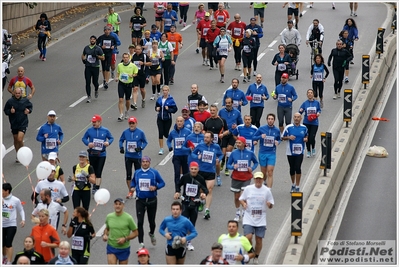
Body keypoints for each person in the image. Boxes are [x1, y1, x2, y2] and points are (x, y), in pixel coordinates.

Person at [130, 156, 165, 249]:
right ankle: (141, 243)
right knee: (140, 222)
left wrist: (156, 187)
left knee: (152, 222)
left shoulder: (154, 173)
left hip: (152, 200)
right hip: (140, 201)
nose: (145, 163)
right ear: (141, 163)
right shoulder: (137, 172)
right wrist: (132, 187)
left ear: (149, 163)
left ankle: (152, 233)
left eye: (147, 162)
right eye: (143, 162)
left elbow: (162, 183)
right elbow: (133, 182)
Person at [239, 172, 274, 265]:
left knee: (259, 239)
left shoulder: (267, 190)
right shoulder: (248, 189)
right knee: (248, 237)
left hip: (261, 218)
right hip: (248, 216)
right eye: (256, 179)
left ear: (263, 180)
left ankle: (256, 256)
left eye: (260, 179)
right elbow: (241, 199)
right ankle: (250, 252)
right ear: (254, 179)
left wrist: (269, 205)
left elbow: (271, 204)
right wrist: (244, 204)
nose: (258, 180)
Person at [174, 161, 208, 251]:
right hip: (185, 202)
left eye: (195, 169)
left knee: (191, 225)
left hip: (195, 204)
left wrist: (204, 194)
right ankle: (181, 240)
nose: (193, 171)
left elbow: (205, 189)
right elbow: (178, 184)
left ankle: (189, 242)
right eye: (192, 169)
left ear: (198, 169)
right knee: (183, 223)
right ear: (189, 169)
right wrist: (177, 191)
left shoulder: (200, 178)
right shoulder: (185, 177)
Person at [191, 131, 223, 218]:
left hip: (211, 171)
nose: (205, 139)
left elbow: (221, 155)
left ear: (212, 139)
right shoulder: (200, 145)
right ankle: (201, 202)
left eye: (207, 137)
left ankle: (207, 210)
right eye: (205, 137)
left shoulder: (216, 147)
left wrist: (218, 159)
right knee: (201, 190)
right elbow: (193, 153)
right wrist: (197, 157)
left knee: (209, 190)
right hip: (201, 171)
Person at [226, 136, 258, 221]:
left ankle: (244, 211)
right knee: (237, 197)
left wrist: (252, 168)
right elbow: (228, 165)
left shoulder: (250, 153)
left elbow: (256, 162)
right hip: (236, 177)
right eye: (236, 143)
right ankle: (237, 212)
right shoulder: (234, 153)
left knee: (244, 196)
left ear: (244, 144)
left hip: (246, 178)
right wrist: (233, 167)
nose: (237, 144)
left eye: (239, 143)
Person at [82, 114, 114, 194]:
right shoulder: (89, 130)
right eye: (92, 122)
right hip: (92, 153)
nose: (93, 123)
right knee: (92, 171)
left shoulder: (105, 130)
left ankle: (97, 187)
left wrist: (108, 142)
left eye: (95, 122)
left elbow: (111, 138)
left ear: (99, 122)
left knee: (99, 171)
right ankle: (93, 185)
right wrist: (88, 143)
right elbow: (84, 138)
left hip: (101, 154)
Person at [102, 198, 139, 265]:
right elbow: (107, 229)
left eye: (120, 204)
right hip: (111, 246)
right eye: (116, 204)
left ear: (123, 206)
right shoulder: (109, 216)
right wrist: (105, 235)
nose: (118, 206)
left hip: (124, 248)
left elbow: (136, 232)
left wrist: (125, 239)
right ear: (114, 205)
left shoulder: (128, 218)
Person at [119, 117, 148, 198]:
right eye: (130, 123)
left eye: (133, 123)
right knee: (128, 174)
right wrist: (121, 147)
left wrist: (141, 148)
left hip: (137, 156)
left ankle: (138, 190)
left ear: (136, 123)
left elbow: (145, 142)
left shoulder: (140, 132)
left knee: (138, 174)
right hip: (128, 156)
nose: (131, 125)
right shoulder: (125, 132)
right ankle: (130, 191)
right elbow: (121, 140)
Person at [3, 87, 33, 162]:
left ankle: (24, 153)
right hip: (14, 123)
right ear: (14, 93)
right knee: (16, 140)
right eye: (16, 93)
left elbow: (30, 107)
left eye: (19, 93)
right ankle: (18, 155)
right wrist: (10, 111)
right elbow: (5, 110)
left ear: (21, 93)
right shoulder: (10, 101)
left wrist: (28, 111)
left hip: (23, 123)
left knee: (20, 139)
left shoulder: (25, 100)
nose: (17, 95)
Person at [252, 113, 281, 188]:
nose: (270, 120)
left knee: (270, 172)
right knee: (264, 173)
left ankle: (269, 190)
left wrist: (278, 142)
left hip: (271, 153)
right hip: (262, 153)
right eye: (269, 119)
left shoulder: (277, 130)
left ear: (274, 120)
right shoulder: (262, 128)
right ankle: (264, 181)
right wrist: (260, 136)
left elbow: (279, 139)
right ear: (267, 120)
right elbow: (254, 137)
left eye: (272, 119)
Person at [282, 112, 308, 192]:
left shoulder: (304, 128)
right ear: (293, 118)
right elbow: (282, 137)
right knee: (292, 168)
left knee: (298, 167)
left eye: (298, 117)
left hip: (300, 151)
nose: (296, 118)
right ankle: (293, 184)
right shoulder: (288, 127)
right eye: (295, 117)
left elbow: (306, 135)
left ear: (301, 118)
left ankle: (297, 186)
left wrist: (306, 139)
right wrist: (289, 137)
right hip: (290, 151)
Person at [219, 97, 244, 177]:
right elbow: (218, 121)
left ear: (232, 103)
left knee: (229, 152)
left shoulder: (237, 112)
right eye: (226, 103)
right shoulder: (221, 112)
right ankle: (222, 161)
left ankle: (226, 168)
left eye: (229, 103)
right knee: (223, 153)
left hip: (233, 135)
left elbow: (240, 124)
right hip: (224, 134)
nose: (227, 104)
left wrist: (236, 126)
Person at [203, 105, 228, 185]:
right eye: (211, 110)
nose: (212, 112)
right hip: (208, 144)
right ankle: (207, 176)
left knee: (217, 162)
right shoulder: (207, 120)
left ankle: (218, 176)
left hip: (218, 144)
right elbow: (204, 130)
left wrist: (223, 135)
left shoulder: (222, 120)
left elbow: (227, 130)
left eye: (214, 110)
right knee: (207, 160)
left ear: (217, 111)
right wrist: (205, 134)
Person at [2, 183, 25, 265]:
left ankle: (9, 262)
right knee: (2, 244)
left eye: (2, 191)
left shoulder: (15, 200)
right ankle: (4, 258)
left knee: (8, 244)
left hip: (11, 225)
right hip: (2, 224)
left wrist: (23, 219)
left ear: (7, 191)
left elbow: (21, 210)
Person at [167, 116, 191, 186]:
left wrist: (189, 148)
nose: (179, 123)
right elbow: (168, 140)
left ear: (183, 122)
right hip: (177, 156)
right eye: (178, 121)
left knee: (186, 173)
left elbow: (191, 142)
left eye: (181, 121)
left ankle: (185, 192)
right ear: (176, 122)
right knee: (177, 173)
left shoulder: (188, 132)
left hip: (185, 155)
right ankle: (177, 190)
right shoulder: (173, 132)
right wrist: (170, 146)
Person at [115, 52, 138, 121]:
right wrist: (117, 78)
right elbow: (118, 73)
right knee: (121, 99)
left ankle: (127, 111)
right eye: (124, 57)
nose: (125, 59)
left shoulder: (133, 66)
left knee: (127, 100)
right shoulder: (119, 65)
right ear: (122, 58)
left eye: (126, 57)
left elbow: (136, 73)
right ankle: (121, 114)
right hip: (121, 84)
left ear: (129, 58)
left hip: (129, 84)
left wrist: (132, 75)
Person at [155, 85, 178, 155]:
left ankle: (171, 140)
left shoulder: (171, 99)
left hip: (167, 119)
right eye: (164, 90)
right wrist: (157, 109)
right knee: (160, 133)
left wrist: (169, 109)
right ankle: (161, 148)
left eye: (166, 90)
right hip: (160, 119)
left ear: (168, 91)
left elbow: (175, 109)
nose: (165, 92)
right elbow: (156, 107)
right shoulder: (159, 99)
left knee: (166, 133)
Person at [299, 89, 321, 158]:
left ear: (313, 94)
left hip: (314, 123)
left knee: (312, 137)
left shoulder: (316, 103)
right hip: (306, 123)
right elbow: (300, 111)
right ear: (307, 95)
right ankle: (308, 150)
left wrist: (318, 113)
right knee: (307, 137)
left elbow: (319, 110)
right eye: (308, 93)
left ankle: (313, 148)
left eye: (311, 93)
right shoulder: (305, 103)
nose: (310, 94)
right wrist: (299, 115)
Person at [82, 35, 105, 102]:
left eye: (94, 39)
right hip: (88, 67)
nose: (92, 40)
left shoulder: (98, 48)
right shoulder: (86, 48)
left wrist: (97, 56)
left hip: (95, 67)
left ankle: (96, 89)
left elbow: (103, 58)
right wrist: (83, 60)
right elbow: (83, 55)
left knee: (95, 82)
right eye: (91, 39)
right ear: (90, 40)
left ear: (95, 41)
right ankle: (89, 96)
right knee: (87, 82)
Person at [96, 24, 117, 90]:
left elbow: (116, 43)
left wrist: (113, 46)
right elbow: (96, 44)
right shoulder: (101, 37)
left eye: (108, 30)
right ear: (104, 31)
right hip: (103, 54)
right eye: (106, 30)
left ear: (110, 31)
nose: (107, 31)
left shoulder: (112, 38)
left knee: (108, 67)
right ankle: (104, 78)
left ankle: (106, 82)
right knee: (103, 67)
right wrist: (101, 46)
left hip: (109, 53)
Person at [131, 45, 151, 110]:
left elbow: (150, 63)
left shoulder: (144, 56)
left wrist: (144, 63)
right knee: (135, 88)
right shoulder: (133, 56)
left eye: (139, 49)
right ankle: (135, 103)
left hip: (142, 74)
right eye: (136, 49)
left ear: (141, 50)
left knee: (142, 89)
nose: (137, 50)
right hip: (135, 75)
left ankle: (143, 99)